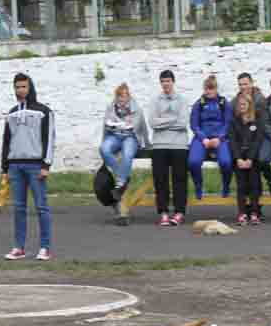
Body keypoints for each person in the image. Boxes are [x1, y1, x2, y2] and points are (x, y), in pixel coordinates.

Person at [2, 73, 56, 262]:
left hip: (36, 166)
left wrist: (45, 165)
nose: (20, 90)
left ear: (30, 87)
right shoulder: (11, 113)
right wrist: (5, 168)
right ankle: (19, 247)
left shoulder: (44, 111)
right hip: (15, 166)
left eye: (23, 86)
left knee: (41, 207)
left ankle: (45, 247)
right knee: (18, 208)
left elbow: (49, 139)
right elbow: (6, 141)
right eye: (17, 87)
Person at [98, 83, 150, 212]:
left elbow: (138, 126)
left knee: (127, 153)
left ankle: (120, 182)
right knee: (104, 149)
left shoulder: (136, 108)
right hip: (114, 136)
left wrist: (147, 143)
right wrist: (105, 138)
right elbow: (106, 124)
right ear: (116, 96)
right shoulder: (111, 107)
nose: (122, 99)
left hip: (130, 137)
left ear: (129, 96)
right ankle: (123, 178)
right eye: (120, 96)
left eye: (125, 96)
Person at [148, 70, 190, 226]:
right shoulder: (155, 100)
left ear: (173, 82)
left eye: (168, 80)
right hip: (159, 145)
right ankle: (164, 212)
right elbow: (152, 123)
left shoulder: (182, 100)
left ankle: (179, 212)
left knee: (180, 179)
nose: (166, 83)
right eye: (163, 81)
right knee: (160, 179)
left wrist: (163, 121)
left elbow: (183, 122)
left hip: (179, 145)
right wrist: (173, 119)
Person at [188, 75, 233, 200]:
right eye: (206, 89)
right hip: (202, 138)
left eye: (211, 88)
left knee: (226, 162)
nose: (208, 91)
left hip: (220, 138)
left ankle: (226, 185)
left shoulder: (224, 103)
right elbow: (194, 124)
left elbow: (228, 123)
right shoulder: (199, 104)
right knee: (193, 162)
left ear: (216, 88)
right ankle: (198, 186)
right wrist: (204, 139)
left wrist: (219, 138)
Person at [233, 72, 271, 198]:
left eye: (245, 84)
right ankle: (245, 201)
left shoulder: (260, 100)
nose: (243, 87)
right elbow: (233, 121)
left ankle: (259, 200)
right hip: (243, 140)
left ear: (251, 83)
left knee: (258, 160)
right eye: (240, 85)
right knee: (237, 160)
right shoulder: (236, 100)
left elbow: (263, 124)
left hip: (259, 137)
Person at [229, 93, 265, 225]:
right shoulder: (234, 121)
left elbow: (257, 140)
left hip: (252, 158)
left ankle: (255, 213)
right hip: (239, 158)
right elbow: (232, 141)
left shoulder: (256, 121)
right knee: (241, 186)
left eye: (245, 104)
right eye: (240, 104)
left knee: (254, 185)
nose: (242, 106)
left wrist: (250, 158)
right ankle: (242, 213)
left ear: (250, 106)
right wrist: (238, 158)